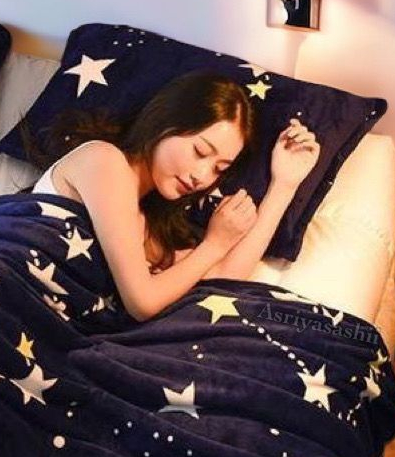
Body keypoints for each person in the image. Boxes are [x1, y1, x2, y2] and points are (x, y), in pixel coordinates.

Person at [19, 70, 321, 322]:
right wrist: (214, 244)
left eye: (219, 169)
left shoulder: (147, 226)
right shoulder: (103, 160)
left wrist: (284, 185)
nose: (202, 176)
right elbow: (143, 303)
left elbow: (222, 279)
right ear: (165, 121)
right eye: (200, 151)